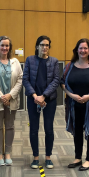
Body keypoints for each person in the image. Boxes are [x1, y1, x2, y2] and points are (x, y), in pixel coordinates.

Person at [60, 38, 89, 171]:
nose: (83, 50)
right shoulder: (69, 66)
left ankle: (88, 160)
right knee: (77, 132)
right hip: (74, 106)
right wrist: (71, 95)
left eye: (85, 48)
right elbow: (62, 82)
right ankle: (78, 157)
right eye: (80, 48)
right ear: (76, 50)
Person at [23, 35, 60, 169]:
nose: (44, 47)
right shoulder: (30, 60)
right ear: (37, 46)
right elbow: (25, 79)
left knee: (49, 129)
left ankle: (48, 157)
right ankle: (35, 157)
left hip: (49, 100)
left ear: (49, 47)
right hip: (33, 100)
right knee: (34, 129)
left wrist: (43, 96)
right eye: (42, 45)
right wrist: (35, 96)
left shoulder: (54, 61)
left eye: (47, 45)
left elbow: (56, 80)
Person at [0, 36, 23, 166]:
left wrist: (10, 96)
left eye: (7, 46)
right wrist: (2, 97)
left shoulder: (15, 62)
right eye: (2, 45)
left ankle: (8, 153)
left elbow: (20, 80)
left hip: (11, 100)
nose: (5, 48)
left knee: (10, 126)